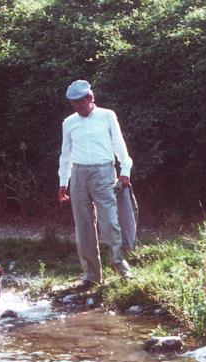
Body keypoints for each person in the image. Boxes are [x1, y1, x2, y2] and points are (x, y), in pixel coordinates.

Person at [58, 79, 133, 291]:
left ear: (90, 98)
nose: (76, 107)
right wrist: (63, 182)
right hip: (78, 175)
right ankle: (91, 276)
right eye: (72, 103)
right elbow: (65, 155)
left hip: (104, 172)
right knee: (83, 227)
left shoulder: (107, 116)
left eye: (79, 102)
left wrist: (125, 170)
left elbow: (120, 145)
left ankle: (121, 269)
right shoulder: (68, 122)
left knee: (110, 223)